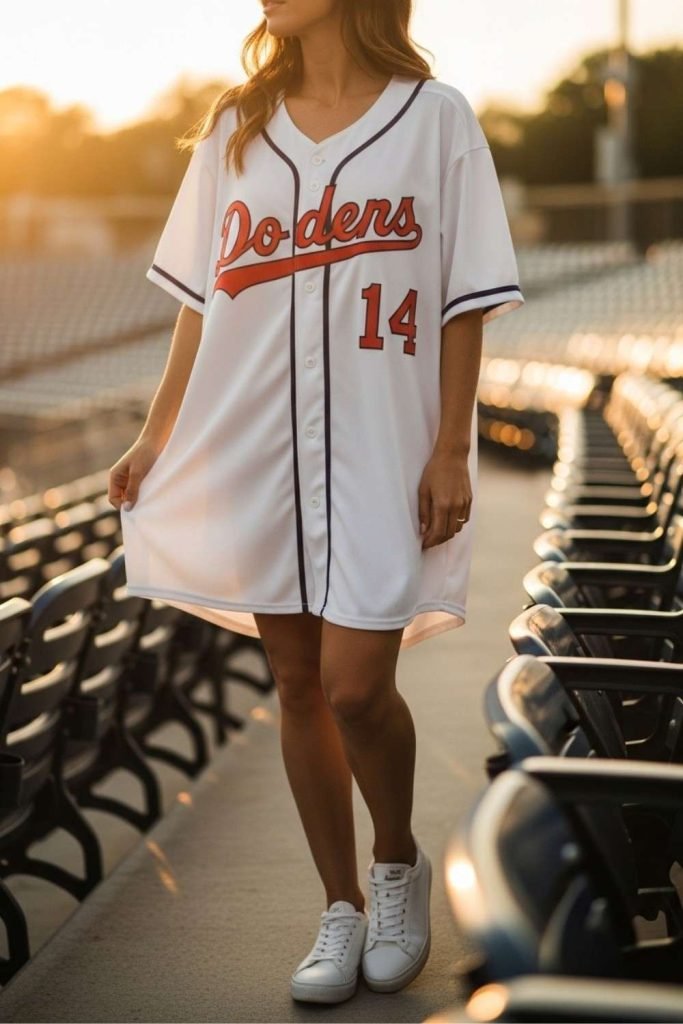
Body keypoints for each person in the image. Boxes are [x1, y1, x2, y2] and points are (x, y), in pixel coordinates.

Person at [109, 0, 524, 1005]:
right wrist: (157, 435)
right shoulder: (234, 127)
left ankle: (394, 868)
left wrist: (450, 448)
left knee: (352, 686)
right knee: (295, 683)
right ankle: (337, 906)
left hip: (381, 447)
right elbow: (198, 302)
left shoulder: (434, 117)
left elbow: (462, 297)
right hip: (256, 443)